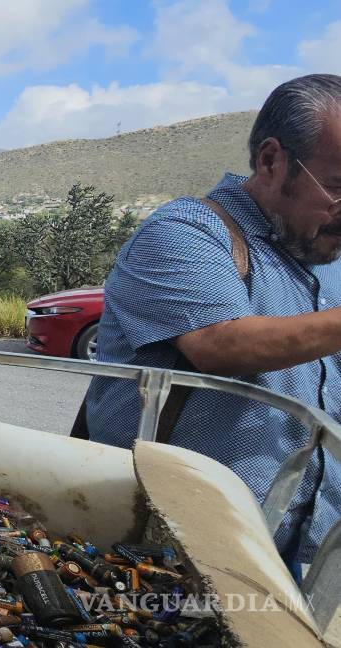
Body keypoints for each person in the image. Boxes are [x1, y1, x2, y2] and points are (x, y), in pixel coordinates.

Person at [83, 74, 341, 576]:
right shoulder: (186, 231)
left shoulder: (328, 257)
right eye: (339, 187)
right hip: (173, 559)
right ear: (271, 161)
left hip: (308, 559)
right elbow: (220, 344)